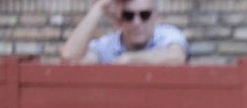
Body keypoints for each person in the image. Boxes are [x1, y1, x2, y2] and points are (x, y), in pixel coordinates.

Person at [60, 0, 188, 65]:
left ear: (156, 17)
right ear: (117, 22)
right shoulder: (107, 45)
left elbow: (176, 57)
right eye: (128, 15)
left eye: (144, 15)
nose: (137, 22)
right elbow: (69, 58)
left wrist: (129, 59)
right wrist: (99, 7)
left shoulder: (167, 35)